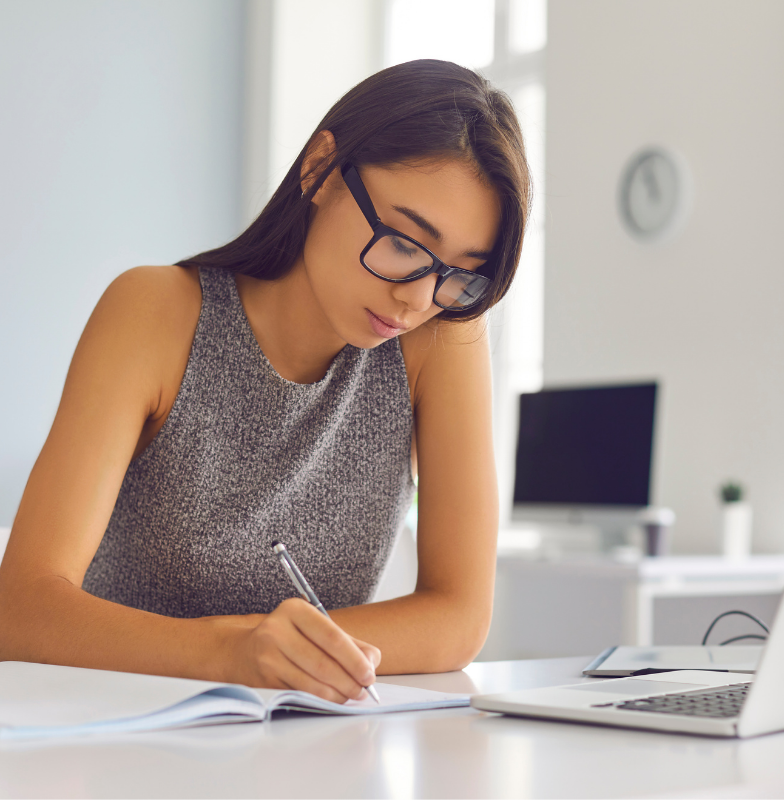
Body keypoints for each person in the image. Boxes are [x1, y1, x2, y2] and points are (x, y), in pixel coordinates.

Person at [0, 59, 531, 705]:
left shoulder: (441, 336)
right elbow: (22, 608)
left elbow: (458, 617)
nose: (417, 296)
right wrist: (233, 653)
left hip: (305, 744)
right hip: (116, 724)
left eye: (458, 273)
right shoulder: (155, 312)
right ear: (321, 171)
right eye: (403, 241)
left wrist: (280, 659)